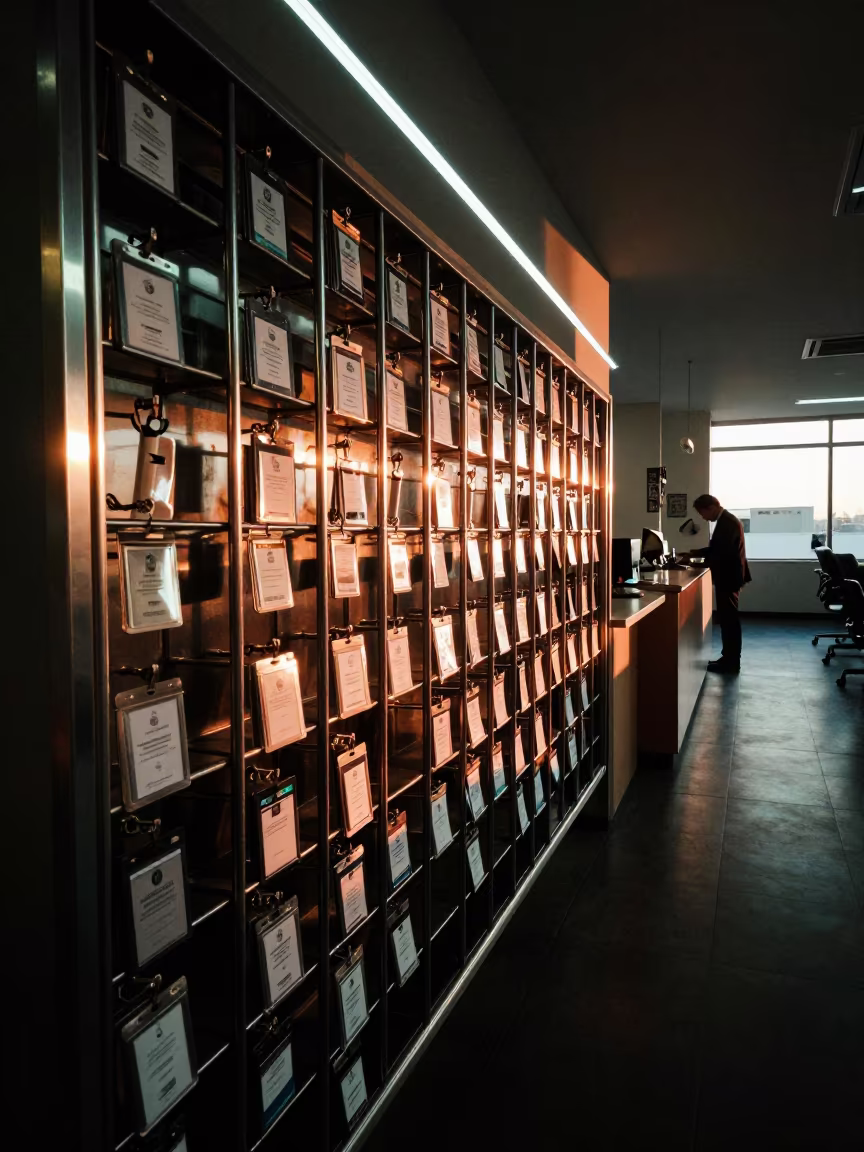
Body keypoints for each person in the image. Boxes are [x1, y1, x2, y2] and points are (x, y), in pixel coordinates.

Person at [684, 494, 751, 673]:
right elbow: (717, 549)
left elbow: (721, 553)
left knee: (729, 621)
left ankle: (731, 662)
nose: (703, 518)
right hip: (729, 576)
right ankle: (728, 658)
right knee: (728, 620)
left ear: (711, 507)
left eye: (702, 513)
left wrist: (694, 561)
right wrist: (694, 554)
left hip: (728, 577)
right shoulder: (726, 521)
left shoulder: (727, 522)